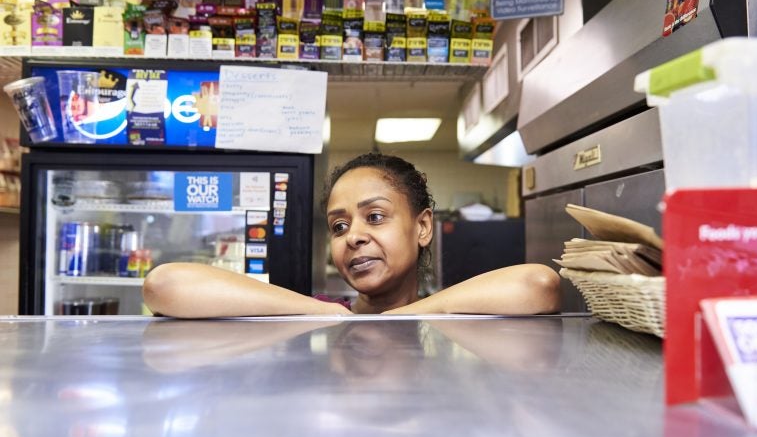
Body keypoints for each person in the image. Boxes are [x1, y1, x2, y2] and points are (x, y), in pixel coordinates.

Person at [142, 153, 561, 317]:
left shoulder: (453, 315)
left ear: (422, 227)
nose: (353, 237)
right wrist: (328, 315)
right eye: (339, 226)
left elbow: (538, 284)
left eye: (375, 217)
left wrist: (407, 317)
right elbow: (165, 284)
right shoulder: (321, 313)